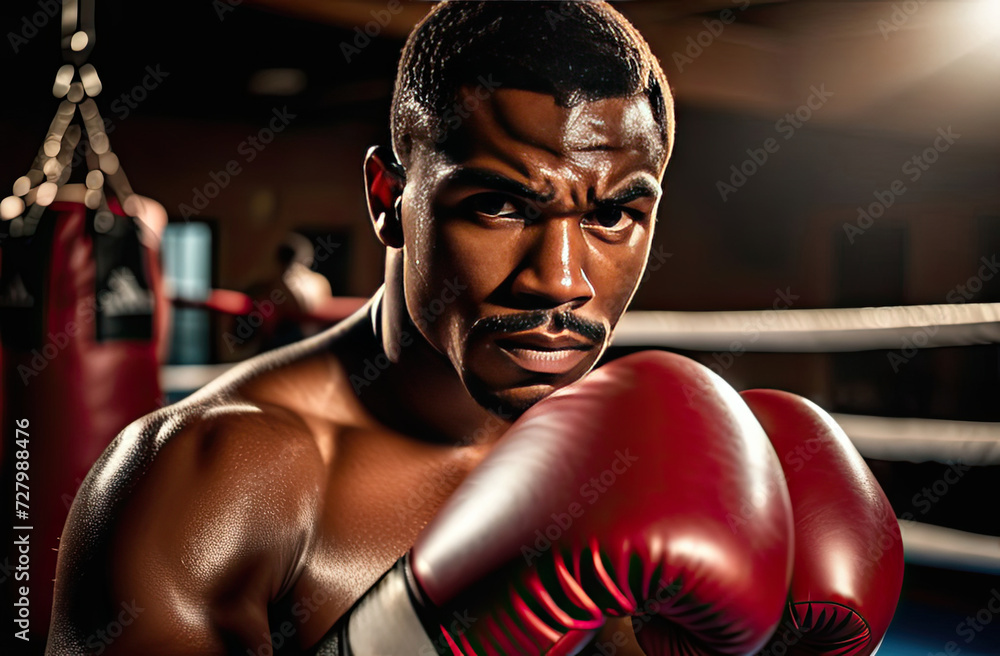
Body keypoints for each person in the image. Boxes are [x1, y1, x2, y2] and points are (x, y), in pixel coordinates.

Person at [46, 3, 901, 655]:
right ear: (391, 202)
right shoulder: (203, 483)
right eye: (498, 204)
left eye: (613, 217)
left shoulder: (663, 465)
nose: (559, 280)